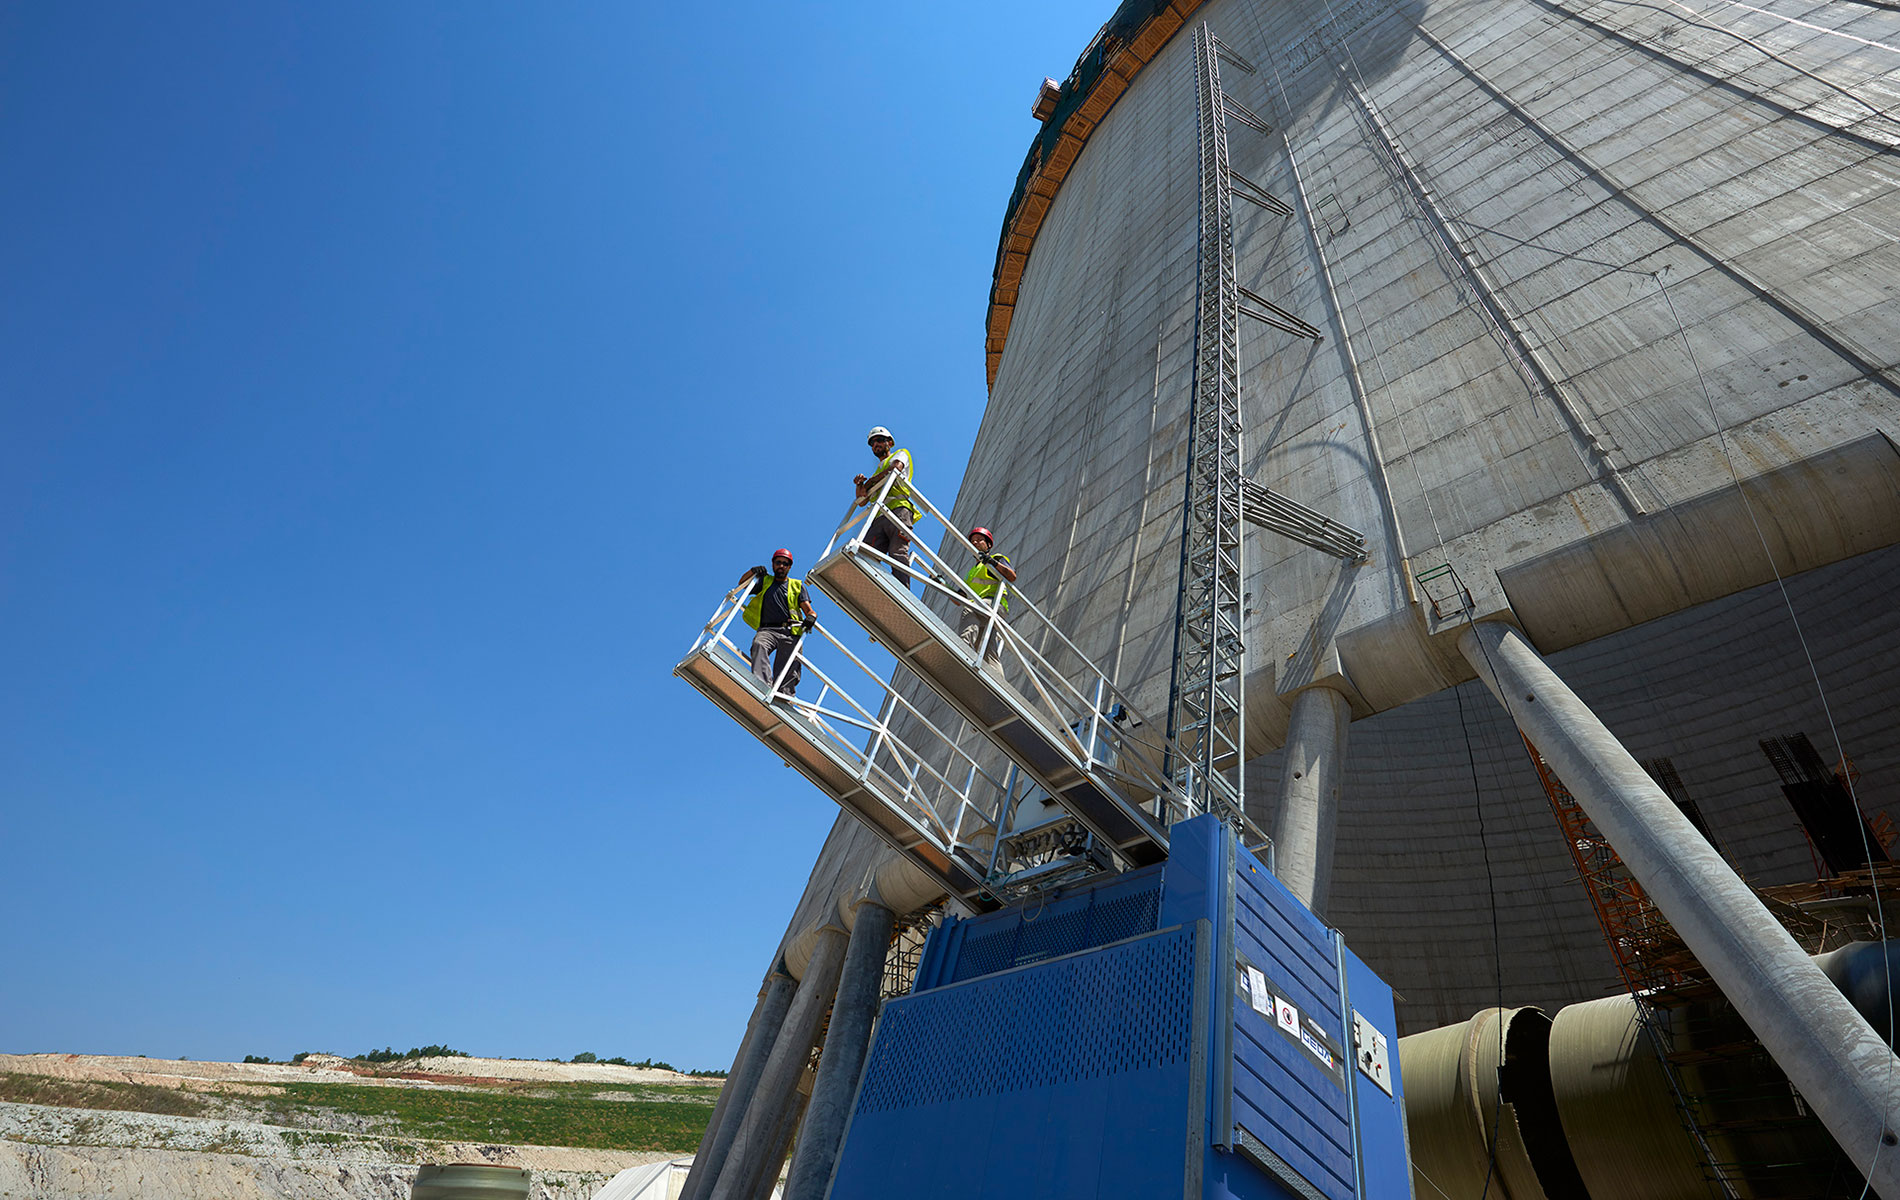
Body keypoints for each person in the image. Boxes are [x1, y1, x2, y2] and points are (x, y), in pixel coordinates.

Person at [737, 549, 817, 698]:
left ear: (789, 567)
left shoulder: (796, 586)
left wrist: (811, 617)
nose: (781, 566)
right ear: (773, 564)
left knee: (790, 663)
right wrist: (752, 571)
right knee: (759, 645)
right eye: (778, 562)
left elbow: (810, 611)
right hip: (768, 629)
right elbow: (742, 584)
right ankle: (762, 686)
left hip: (790, 631)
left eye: (785, 563)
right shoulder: (765, 582)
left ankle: (784, 696)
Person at [853, 425, 916, 585]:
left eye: (880, 440)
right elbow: (862, 500)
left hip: (899, 511)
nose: (876, 444)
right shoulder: (876, 473)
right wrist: (860, 485)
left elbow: (895, 468)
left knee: (897, 552)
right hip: (879, 517)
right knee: (866, 554)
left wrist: (871, 482)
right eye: (872, 443)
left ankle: (903, 592)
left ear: (890, 442)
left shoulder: (901, 454)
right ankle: (868, 588)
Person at [958, 526, 1017, 666]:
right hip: (983, 610)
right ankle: (997, 681)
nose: (976, 543)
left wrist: (992, 562)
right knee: (984, 648)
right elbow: (958, 599)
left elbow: (1012, 576)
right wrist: (942, 585)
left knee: (970, 610)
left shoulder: (995, 559)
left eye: (979, 540)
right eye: (973, 542)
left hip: (993, 604)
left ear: (988, 544)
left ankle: (961, 648)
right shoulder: (972, 572)